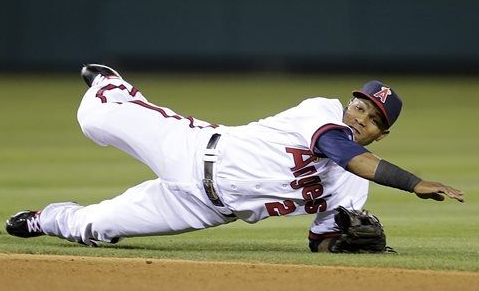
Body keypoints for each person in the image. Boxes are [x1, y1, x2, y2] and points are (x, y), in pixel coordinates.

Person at [5, 64, 464, 250]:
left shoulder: (352, 186)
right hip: (194, 151)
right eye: (360, 105)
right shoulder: (321, 113)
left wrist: (352, 242)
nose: (361, 117)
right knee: (96, 117)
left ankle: (44, 220)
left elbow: (323, 238)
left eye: (373, 118)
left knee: (94, 228)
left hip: (203, 208)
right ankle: (113, 86)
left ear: (381, 135)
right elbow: (341, 151)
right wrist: (414, 183)